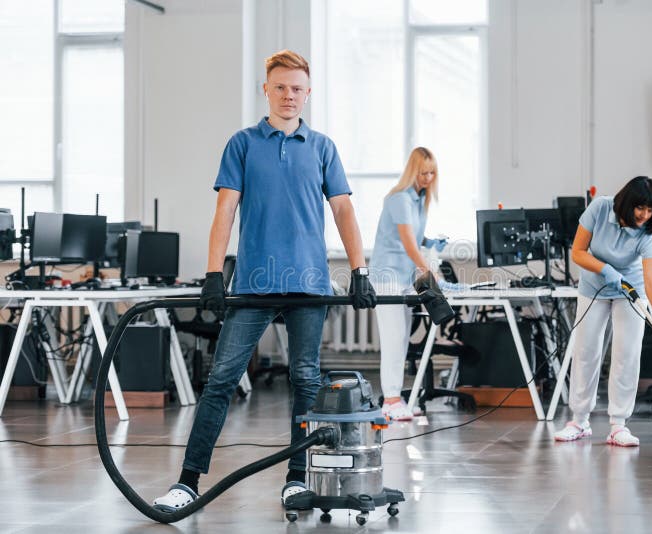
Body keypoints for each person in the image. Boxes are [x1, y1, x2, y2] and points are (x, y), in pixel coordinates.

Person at [153, 49, 377, 512]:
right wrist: (213, 274)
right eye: (280, 87)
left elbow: (343, 209)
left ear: (308, 93)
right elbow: (224, 210)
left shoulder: (322, 148)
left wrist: (360, 271)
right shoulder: (242, 143)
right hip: (252, 285)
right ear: (266, 90)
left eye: (297, 88)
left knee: (306, 379)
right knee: (221, 380)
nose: (289, 95)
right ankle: (187, 482)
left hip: (310, 285)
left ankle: (296, 480)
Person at [554, 176, 652, 447]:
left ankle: (618, 425)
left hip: (630, 290)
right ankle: (579, 421)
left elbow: (651, 280)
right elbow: (578, 252)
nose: (645, 215)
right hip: (593, 288)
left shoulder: (647, 234)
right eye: (640, 207)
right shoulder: (599, 208)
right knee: (586, 352)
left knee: (626, 355)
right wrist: (605, 269)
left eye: (651, 210)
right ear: (627, 202)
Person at [369, 147, 451, 421]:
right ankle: (390, 400)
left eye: (432, 173)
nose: (428, 178)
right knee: (393, 338)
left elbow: (415, 237)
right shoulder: (400, 199)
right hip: (387, 277)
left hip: (403, 277)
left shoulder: (419, 199)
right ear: (413, 171)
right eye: (423, 173)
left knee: (403, 337)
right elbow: (407, 244)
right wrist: (429, 272)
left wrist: (430, 242)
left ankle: (396, 397)